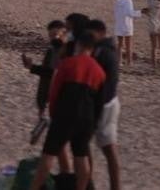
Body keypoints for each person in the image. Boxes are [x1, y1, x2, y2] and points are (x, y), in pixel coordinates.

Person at [29, 30, 106, 190]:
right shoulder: (99, 71)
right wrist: (93, 122)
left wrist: (53, 113)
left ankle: (35, 187)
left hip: (65, 115)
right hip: (87, 118)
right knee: (81, 155)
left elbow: (54, 92)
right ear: (92, 48)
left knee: (49, 154)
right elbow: (99, 101)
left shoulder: (68, 63)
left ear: (78, 45)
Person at [86, 19, 122, 190]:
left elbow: (106, 84)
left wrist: (96, 108)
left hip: (104, 104)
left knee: (107, 148)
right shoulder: (104, 49)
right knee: (97, 147)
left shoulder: (104, 52)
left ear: (100, 33)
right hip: (106, 102)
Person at [22, 20, 67, 122]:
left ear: (65, 33)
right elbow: (49, 72)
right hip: (48, 96)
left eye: (56, 34)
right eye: (51, 35)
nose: (54, 38)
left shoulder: (61, 50)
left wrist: (32, 68)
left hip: (54, 97)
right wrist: (31, 67)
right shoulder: (53, 48)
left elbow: (52, 73)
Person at [113, 0, 143, 66]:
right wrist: (140, 12)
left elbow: (116, 12)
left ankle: (119, 61)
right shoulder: (128, 0)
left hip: (119, 24)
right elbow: (130, 13)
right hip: (127, 25)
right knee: (128, 45)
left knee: (120, 45)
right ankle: (129, 62)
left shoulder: (118, 0)